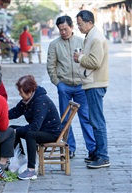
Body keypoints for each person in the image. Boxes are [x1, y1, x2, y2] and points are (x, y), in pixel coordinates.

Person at [47, 15, 96, 160]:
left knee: (86, 118)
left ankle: (92, 149)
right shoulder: (54, 45)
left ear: (72, 27)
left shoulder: (82, 42)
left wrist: (87, 81)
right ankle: (70, 148)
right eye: (60, 30)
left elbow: (89, 61)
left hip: (81, 86)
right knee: (65, 118)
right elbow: (51, 66)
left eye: (65, 29)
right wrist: (58, 83)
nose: (63, 32)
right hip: (65, 87)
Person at [73, 10, 109, 169]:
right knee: (94, 120)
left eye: (80, 24)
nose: (79, 27)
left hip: (95, 83)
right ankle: (97, 153)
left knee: (97, 121)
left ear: (89, 22)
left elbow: (95, 61)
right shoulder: (91, 36)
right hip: (91, 82)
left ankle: (103, 156)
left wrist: (79, 58)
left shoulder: (95, 38)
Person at [9, 75, 61, 180]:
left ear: (30, 91)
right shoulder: (27, 100)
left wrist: (16, 131)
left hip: (51, 133)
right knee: (11, 128)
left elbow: (35, 126)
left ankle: (31, 170)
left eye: (21, 92)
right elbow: (15, 112)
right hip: (41, 130)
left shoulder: (40, 101)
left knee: (30, 134)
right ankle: (20, 159)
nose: (20, 94)